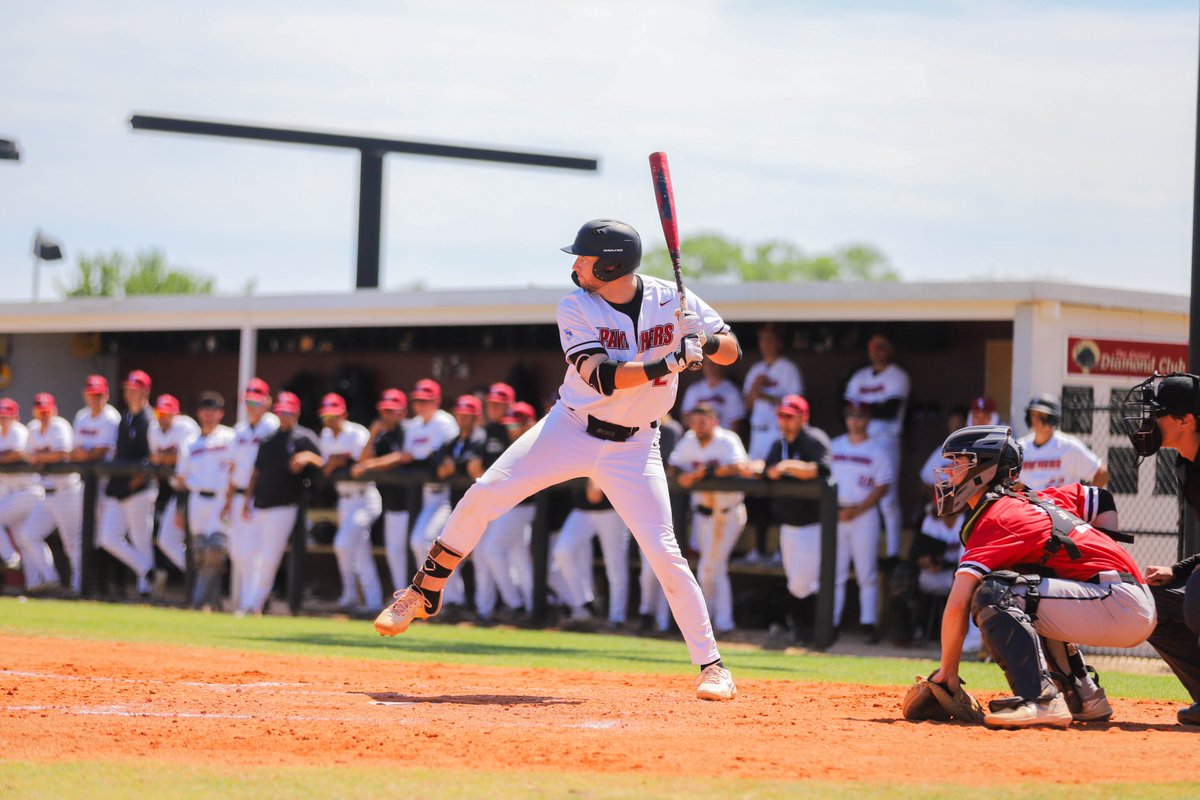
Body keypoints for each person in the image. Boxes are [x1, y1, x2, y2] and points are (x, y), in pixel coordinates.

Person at [375, 218, 742, 700]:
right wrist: (672, 360)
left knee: (664, 552)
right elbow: (602, 376)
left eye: (585, 258)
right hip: (570, 427)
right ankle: (423, 591)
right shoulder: (575, 305)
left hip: (634, 446)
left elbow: (732, 352)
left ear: (611, 265)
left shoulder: (671, 297)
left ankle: (713, 667)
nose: (576, 264)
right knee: (485, 491)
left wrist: (706, 341)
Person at [929, 425, 1154, 728]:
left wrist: (947, 675)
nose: (950, 472)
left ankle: (1041, 700)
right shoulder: (1035, 500)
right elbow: (1100, 498)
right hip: (1123, 597)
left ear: (984, 469)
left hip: (1118, 603)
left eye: (959, 462)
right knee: (1029, 583)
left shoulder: (998, 516)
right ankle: (1084, 697)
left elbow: (958, 603)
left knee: (994, 594)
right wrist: (1090, 563)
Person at [1121, 372, 1200, 726]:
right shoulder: (1186, 463)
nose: (1148, 421)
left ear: (1186, 421)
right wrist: (1179, 570)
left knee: (1197, 596)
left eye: (1158, 413)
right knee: (1147, 602)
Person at [668, 402, 749, 635]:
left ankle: (711, 622)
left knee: (707, 568)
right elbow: (673, 466)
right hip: (702, 515)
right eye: (695, 422)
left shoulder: (727, 439)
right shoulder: (690, 440)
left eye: (704, 421)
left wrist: (705, 473)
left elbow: (739, 466)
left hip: (727, 512)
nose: (699, 426)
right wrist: (684, 475)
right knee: (715, 568)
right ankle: (721, 622)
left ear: (715, 421)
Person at [241, 391, 321, 616]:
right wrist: (248, 498)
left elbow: (323, 460)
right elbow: (256, 472)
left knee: (269, 557)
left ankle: (254, 604)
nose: (284, 416)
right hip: (261, 503)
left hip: (285, 504)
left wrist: (307, 457)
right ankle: (248, 601)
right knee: (249, 554)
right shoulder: (269, 438)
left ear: (296, 412)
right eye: (280, 412)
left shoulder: (303, 437)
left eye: (288, 411)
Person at [762, 394, 831, 645]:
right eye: (782, 416)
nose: (785, 421)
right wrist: (779, 469)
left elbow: (821, 469)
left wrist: (787, 466)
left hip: (811, 524)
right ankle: (802, 632)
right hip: (787, 523)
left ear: (804, 417)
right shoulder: (778, 444)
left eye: (790, 417)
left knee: (804, 584)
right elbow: (768, 471)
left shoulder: (814, 439)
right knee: (795, 583)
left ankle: (813, 633)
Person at [828, 401, 893, 642]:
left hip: (864, 515)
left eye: (860, 416)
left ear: (868, 420)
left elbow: (883, 486)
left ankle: (868, 624)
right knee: (835, 572)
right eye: (851, 416)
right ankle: (831, 623)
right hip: (836, 513)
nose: (855, 420)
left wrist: (856, 510)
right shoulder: (834, 446)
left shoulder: (877, 450)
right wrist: (836, 509)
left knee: (866, 572)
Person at [843, 333, 910, 558]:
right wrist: (872, 407)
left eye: (882, 346)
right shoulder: (860, 376)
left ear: (890, 350)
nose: (876, 351)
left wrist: (863, 407)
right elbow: (845, 405)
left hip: (885, 440)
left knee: (888, 499)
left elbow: (889, 410)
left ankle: (893, 552)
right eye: (873, 346)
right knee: (856, 492)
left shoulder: (897, 376)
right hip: (859, 442)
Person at [741, 322, 803, 564]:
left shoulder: (788, 369)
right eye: (762, 339)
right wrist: (756, 388)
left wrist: (765, 394)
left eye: (769, 339)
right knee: (756, 490)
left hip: (778, 434)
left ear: (778, 342)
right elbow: (747, 404)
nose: (765, 344)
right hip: (758, 433)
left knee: (778, 488)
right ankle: (758, 548)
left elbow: (797, 405)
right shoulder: (756, 368)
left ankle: (780, 550)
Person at [474, 402, 539, 622]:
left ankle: (516, 604)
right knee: (519, 558)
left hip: (524, 505)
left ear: (529, 424)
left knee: (491, 550)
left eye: (516, 425)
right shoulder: (510, 443)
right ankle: (531, 608)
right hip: (509, 505)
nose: (511, 430)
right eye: (509, 426)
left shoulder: (536, 441)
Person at [319, 392, 382, 614]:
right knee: (360, 553)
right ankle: (371, 602)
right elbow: (326, 467)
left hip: (365, 497)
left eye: (334, 416)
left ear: (343, 414)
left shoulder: (357, 432)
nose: (330, 421)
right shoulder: (325, 436)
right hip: (344, 500)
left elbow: (363, 462)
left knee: (342, 543)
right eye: (326, 416)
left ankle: (352, 595)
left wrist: (340, 460)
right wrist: (335, 461)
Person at [404, 378, 463, 611]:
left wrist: (418, 456)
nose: (420, 405)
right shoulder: (414, 426)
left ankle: (453, 599)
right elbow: (410, 455)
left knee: (432, 542)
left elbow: (434, 455)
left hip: (448, 495)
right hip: (428, 494)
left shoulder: (445, 422)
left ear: (436, 401)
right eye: (417, 400)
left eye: (425, 401)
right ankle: (439, 596)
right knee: (419, 541)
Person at [175, 391, 237, 610]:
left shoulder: (229, 437)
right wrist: (180, 509)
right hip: (197, 498)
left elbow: (235, 469)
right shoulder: (190, 442)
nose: (208, 415)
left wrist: (231, 499)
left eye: (213, 411)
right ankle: (214, 602)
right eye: (205, 411)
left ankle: (198, 600)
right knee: (200, 553)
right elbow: (182, 479)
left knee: (216, 551)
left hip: (221, 499)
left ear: (220, 414)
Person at [98, 370, 157, 597]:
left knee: (141, 537)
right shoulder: (125, 418)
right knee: (108, 537)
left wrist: (134, 484)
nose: (130, 393)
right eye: (128, 389)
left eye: (135, 389)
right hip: (121, 487)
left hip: (140, 488)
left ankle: (147, 589)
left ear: (145, 391)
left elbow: (151, 459)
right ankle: (148, 572)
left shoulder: (149, 420)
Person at [224, 378, 280, 612]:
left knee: (255, 553)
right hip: (238, 496)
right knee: (238, 552)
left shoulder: (272, 425)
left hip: (260, 497)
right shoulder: (239, 430)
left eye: (256, 402)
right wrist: (227, 500)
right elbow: (233, 466)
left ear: (267, 402)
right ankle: (251, 600)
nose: (252, 406)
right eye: (248, 402)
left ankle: (251, 603)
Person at [19, 394, 81, 593]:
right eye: (40, 411)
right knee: (28, 534)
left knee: (71, 544)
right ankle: (51, 577)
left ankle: (78, 587)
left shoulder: (60, 426)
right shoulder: (32, 429)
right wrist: (42, 457)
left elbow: (62, 453)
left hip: (67, 492)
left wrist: (40, 457)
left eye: (47, 411)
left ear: (54, 411)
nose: (43, 415)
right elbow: (26, 455)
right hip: (46, 494)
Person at [352, 388, 412, 592]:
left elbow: (401, 456)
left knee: (417, 550)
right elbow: (363, 460)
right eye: (384, 410)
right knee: (394, 552)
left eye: (391, 411)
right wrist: (373, 433)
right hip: (393, 502)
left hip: (414, 502)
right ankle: (402, 596)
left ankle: (418, 599)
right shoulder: (382, 435)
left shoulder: (409, 430)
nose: (386, 415)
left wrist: (370, 466)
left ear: (403, 412)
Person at [552, 477, 630, 629]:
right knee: (562, 552)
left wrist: (597, 479)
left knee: (615, 563)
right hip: (581, 509)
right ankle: (585, 603)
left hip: (612, 509)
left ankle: (617, 618)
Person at [148, 393, 200, 592]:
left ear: (176, 414)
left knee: (203, 541)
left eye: (167, 413)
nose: (162, 417)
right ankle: (197, 576)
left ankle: (205, 582)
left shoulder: (186, 427)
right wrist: (164, 458)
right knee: (166, 540)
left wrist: (164, 458)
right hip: (176, 490)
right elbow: (155, 458)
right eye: (160, 413)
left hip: (193, 490)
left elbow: (182, 458)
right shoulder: (153, 429)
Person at [0, 399, 46, 590]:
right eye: (1, 417)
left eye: (7, 417)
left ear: (15, 417)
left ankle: (11, 557)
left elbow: (18, 453)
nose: (3, 420)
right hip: (13, 493)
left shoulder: (19, 431)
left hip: (30, 491)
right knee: (23, 537)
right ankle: (36, 582)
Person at [1017, 394, 1108, 490]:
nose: (1035, 420)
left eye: (1041, 415)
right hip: (1028, 504)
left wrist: (1083, 499)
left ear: (1052, 418)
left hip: (1058, 504)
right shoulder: (1020, 447)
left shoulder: (1069, 446)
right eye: (1033, 414)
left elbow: (1102, 475)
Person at [682, 361, 745, 435]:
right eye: (707, 363)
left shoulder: (731, 390)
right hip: (698, 438)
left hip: (721, 438)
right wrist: (702, 420)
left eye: (714, 364)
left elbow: (735, 423)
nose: (710, 367)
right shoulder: (694, 389)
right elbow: (685, 418)